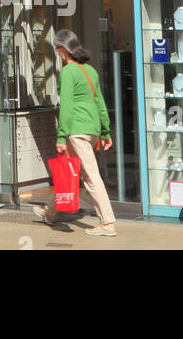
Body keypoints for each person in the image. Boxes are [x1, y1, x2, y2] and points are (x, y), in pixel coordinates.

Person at [44, 29, 116, 237]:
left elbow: (66, 106)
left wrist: (61, 135)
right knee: (70, 172)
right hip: (91, 129)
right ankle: (50, 211)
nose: (57, 53)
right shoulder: (90, 71)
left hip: (77, 130)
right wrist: (105, 132)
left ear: (63, 49)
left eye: (57, 48)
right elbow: (100, 102)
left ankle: (108, 222)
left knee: (91, 176)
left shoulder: (68, 72)